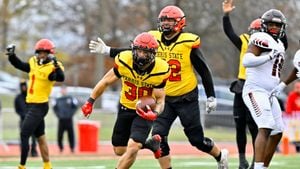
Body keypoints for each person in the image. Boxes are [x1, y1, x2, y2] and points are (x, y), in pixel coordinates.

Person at [89, 5, 229, 169]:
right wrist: (108, 50)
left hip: (186, 97)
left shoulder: (188, 42)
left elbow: (204, 70)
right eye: (163, 19)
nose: (166, 23)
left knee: (196, 140)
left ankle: (220, 156)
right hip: (162, 98)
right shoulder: (153, 38)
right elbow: (136, 51)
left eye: (170, 20)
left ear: (180, 23)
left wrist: (211, 95)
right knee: (158, 137)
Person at [82, 32, 171, 169]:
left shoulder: (161, 69)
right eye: (139, 51)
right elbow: (105, 81)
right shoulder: (124, 60)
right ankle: (149, 144)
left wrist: (155, 113)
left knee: (133, 148)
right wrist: (90, 101)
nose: (141, 55)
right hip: (124, 107)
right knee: (119, 150)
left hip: (144, 112)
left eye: (145, 52)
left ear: (153, 54)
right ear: (133, 49)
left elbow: (160, 100)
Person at [6, 38, 65, 169]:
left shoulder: (52, 67)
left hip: (40, 105)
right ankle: (47, 165)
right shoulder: (33, 62)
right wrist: (12, 56)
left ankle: (22, 166)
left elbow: (60, 77)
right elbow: (21, 65)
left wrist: (56, 67)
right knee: (40, 137)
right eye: (39, 52)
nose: (41, 55)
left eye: (44, 52)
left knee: (24, 133)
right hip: (30, 105)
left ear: (50, 53)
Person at [242, 9, 288, 169]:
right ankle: (258, 167)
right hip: (255, 90)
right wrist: (268, 56)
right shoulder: (260, 37)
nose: (274, 27)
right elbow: (247, 60)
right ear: (264, 25)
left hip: (269, 93)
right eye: (271, 24)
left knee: (278, 131)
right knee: (266, 125)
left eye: (277, 25)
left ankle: (264, 166)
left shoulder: (280, 44)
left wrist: (281, 85)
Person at [14, 80, 38, 157]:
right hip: (23, 120)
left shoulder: (30, 95)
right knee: (24, 136)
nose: (23, 87)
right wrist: (23, 115)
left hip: (31, 120)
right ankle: (24, 151)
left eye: (24, 86)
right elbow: (17, 109)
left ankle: (34, 151)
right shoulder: (18, 98)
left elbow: (34, 106)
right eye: (22, 86)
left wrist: (31, 115)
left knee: (34, 136)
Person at [52, 85, 78, 153]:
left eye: (65, 89)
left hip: (69, 120)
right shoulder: (58, 99)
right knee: (60, 135)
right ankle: (61, 148)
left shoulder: (70, 98)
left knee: (71, 135)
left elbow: (75, 107)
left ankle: (72, 148)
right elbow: (54, 108)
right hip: (61, 120)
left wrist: (71, 114)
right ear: (61, 90)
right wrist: (59, 115)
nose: (63, 91)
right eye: (62, 90)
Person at [284, 81, 300, 152]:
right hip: (294, 119)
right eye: (297, 87)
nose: (298, 89)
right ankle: (297, 146)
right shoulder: (292, 95)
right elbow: (288, 108)